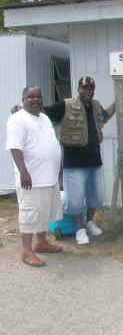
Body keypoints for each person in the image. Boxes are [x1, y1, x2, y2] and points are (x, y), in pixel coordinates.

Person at [44, 77, 115, 245]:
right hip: (74, 163)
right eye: (85, 87)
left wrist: (117, 103)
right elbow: (45, 111)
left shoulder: (96, 105)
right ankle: (79, 229)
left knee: (96, 197)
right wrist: (22, 109)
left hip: (95, 161)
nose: (89, 90)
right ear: (79, 89)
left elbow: (105, 117)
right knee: (75, 200)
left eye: (91, 87)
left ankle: (89, 222)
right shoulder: (66, 105)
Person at [6, 86, 63, 267]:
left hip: (49, 176)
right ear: (23, 99)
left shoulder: (44, 117)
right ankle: (26, 251)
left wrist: (57, 165)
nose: (36, 99)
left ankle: (41, 242)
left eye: (38, 96)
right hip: (31, 178)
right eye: (31, 96)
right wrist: (23, 171)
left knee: (44, 212)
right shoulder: (17, 119)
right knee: (29, 215)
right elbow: (15, 147)